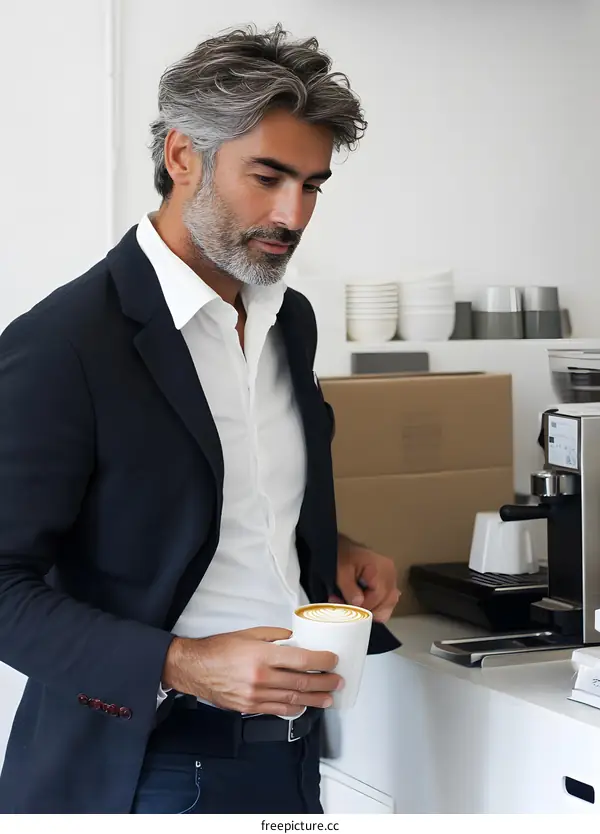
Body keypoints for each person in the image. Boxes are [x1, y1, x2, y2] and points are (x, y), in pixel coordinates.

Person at [0, 23, 400, 814]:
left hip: (292, 758)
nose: (294, 214)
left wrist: (330, 546)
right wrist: (178, 662)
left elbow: (225, 491)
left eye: (313, 184)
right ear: (183, 157)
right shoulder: (64, 344)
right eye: (269, 175)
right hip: (145, 771)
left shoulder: (290, 319)